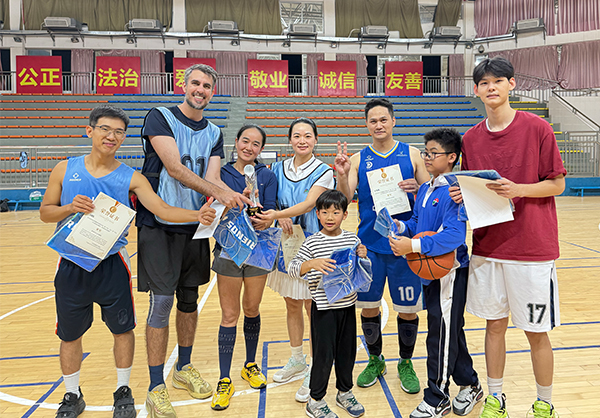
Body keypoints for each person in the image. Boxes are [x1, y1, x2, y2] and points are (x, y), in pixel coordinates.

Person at [39, 105, 217, 418]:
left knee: (122, 331)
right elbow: (45, 213)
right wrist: (69, 208)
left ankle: (123, 390)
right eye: (105, 129)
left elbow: (161, 208)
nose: (112, 136)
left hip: (112, 264)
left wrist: (195, 214)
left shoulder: (131, 177)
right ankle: (71, 394)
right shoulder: (64, 169)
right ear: (90, 130)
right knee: (69, 334)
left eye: (119, 132)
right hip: (71, 264)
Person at [449, 57, 566, 418]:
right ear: (476, 90)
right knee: (494, 326)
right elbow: (475, 189)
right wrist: (462, 195)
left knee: (536, 331)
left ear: (512, 84)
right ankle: (496, 397)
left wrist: (519, 189)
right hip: (489, 247)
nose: (491, 88)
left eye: (498, 81)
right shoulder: (470, 138)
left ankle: (544, 402)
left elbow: (558, 184)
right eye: (484, 83)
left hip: (531, 249)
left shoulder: (537, 128)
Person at [136, 64, 251, 418]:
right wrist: (220, 192)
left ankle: (183, 367)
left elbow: (212, 177)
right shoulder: (160, 117)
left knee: (190, 301)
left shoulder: (214, 131)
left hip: (198, 226)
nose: (200, 90)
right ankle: (156, 387)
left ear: (212, 92)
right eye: (195, 83)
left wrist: (238, 196)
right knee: (161, 304)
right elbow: (175, 169)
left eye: (207, 86)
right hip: (160, 222)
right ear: (182, 85)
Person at [335, 98, 430, 392]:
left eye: (383, 120)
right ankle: (375, 359)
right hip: (370, 245)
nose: (378, 125)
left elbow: (429, 195)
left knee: (408, 310)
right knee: (368, 307)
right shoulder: (360, 159)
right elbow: (344, 195)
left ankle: (405, 361)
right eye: (373, 121)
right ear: (367, 124)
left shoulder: (411, 153)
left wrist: (419, 187)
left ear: (393, 121)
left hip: (404, 246)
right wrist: (341, 173)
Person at [388, 128, 482, 418]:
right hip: (431, 271)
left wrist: (412, 244)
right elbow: (418, 220)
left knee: (439, 335)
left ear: (452, 157)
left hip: (450, 272)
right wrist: (402, 228)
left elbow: (454, 237)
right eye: (425, 152)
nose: (427, 157)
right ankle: (470, 382)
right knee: (450, 330)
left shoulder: (456, 190)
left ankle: (437, 395)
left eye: (433, 153)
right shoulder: (428, 186)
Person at [255, 117, 335, 402]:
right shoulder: (276, 168)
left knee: (313, 307)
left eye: (308, 136)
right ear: (290, 140)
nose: (302, 140)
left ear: (315, 140)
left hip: (313, 246)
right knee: (291, 303)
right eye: (297, 135)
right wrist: (277, 217)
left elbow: (311, 203)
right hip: (285, 244)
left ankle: (315, 366)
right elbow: (270, 201)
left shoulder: (324, 171)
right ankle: (297, 358)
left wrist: (281, 214)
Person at [210, 124, 278, 410]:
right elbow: (212, 207)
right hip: (229, 249)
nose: (249, 147)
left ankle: (250, 365)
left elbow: (271, 213)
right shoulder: (220, 174)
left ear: (261, 149)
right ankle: (224, 379)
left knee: (251, 309)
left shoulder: (267, 175)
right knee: (229, 314)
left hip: (258, 250)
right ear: (236, 142)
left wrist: (263, 216)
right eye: (245, 141)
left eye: (256, 144)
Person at [288, 189, 367, 418]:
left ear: (345, 214)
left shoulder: (352, 239)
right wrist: (311, 264)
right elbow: (293, 268)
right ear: (317, 215)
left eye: (336, 212)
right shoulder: (312, 243)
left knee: (347, 353)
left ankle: (344, 392)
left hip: (347, 307)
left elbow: (361, 269)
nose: (330, 217)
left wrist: (362, 254)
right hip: (323, 310)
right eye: (325, 212)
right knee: (323, 356)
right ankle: (316, 400)